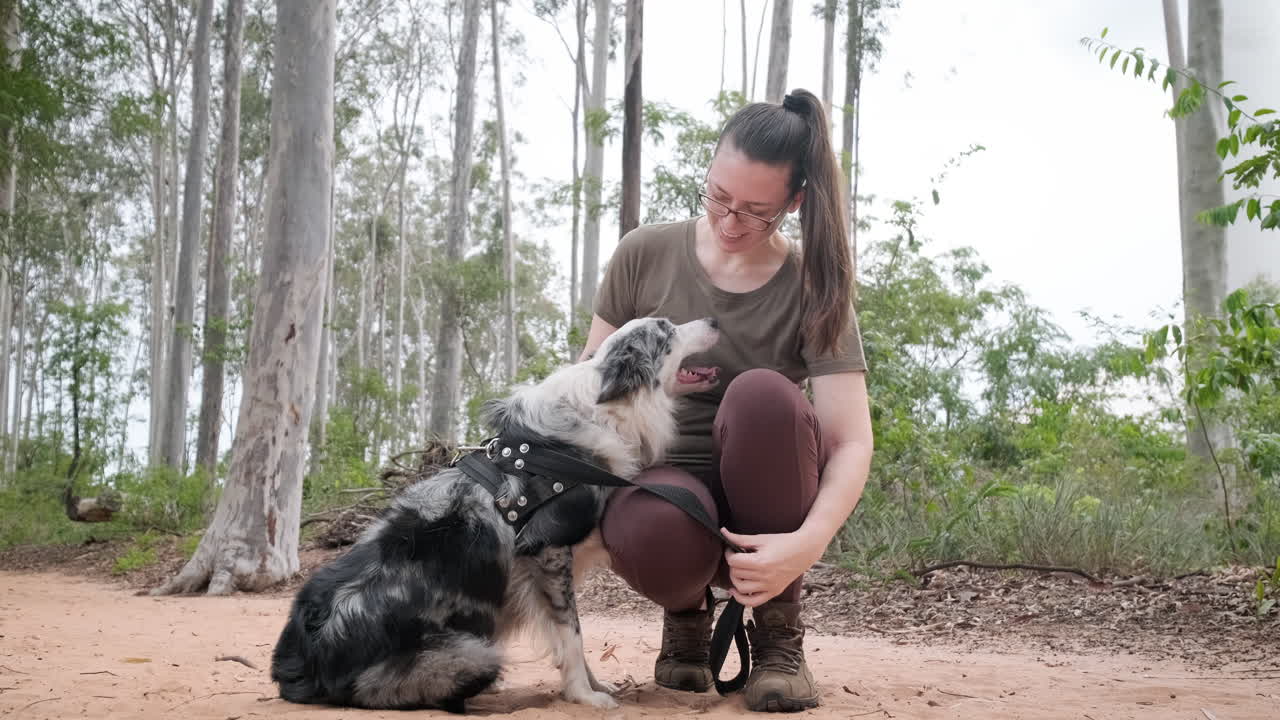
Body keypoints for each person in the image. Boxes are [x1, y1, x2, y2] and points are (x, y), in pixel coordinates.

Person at [578, 88, 873, 712]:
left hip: (767, 503)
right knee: (652, 522)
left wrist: (808, 543)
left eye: (755, 211)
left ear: (794, 204)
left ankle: (777, 634)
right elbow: (589, 390)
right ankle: (686, 619)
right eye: (717, 196)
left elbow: (850, 440)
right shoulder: (644, 252)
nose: (728, 221)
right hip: (663, 490)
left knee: (765, 396)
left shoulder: (816, 283)